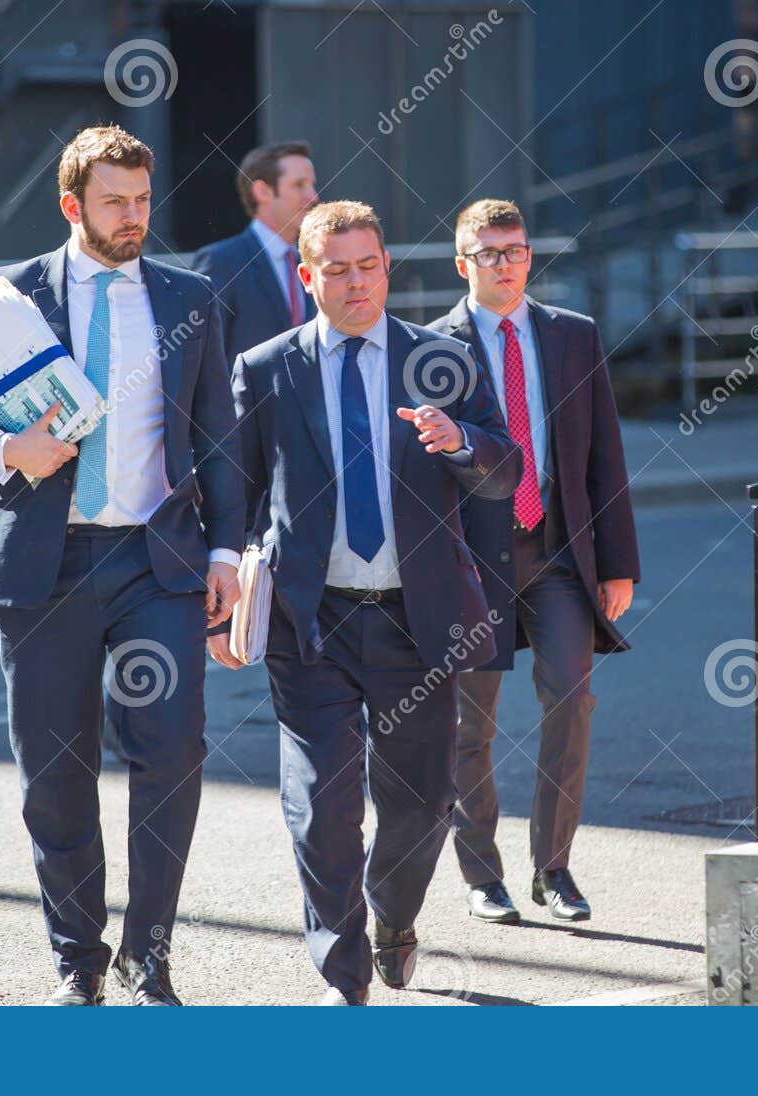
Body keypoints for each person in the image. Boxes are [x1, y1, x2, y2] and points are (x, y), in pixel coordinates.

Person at [0, 125, 245, 1007]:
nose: (134, 216)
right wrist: (6, 448)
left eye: (143, 200)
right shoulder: (11, 292)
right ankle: (78, 956)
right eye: (115, 202)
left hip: (158, 560)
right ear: (73, 206)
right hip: (46, 563)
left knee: (172, 748)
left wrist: (225, 549)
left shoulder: (189, 298)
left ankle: (150, 954)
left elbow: (221, 437)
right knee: (55, 770)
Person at [218, 200, 520, 1004]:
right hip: (308, 621)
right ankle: (342, 980)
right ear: (307, 276)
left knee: (421, 803)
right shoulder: (266, 367)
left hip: (414, 619)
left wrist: (460, 443)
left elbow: (506, 472)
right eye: (338, 270)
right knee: (320, 810)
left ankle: (392, 914)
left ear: (388, 267)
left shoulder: (441, 357)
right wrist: (219, 591)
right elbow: (235, 494)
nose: (356, 283)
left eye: (369, 265)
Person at [427, 199, 640, 926]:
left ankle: (554, 868)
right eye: (488, 253)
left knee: (572, 700)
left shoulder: (572, 337)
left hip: (557, 552)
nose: (505, 263)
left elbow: (605, 458)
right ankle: (482, 875)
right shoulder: (433, 348)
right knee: (469, 727)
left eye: (515, 249)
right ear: (463, 264)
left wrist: (619, 565)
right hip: (473, 562)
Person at [191, 141, 318, 363]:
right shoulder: (221, 261)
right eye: (299, 185)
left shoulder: (313, 264)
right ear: (262, 191)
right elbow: (202, 356)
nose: (313, 196)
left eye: (312, 185)